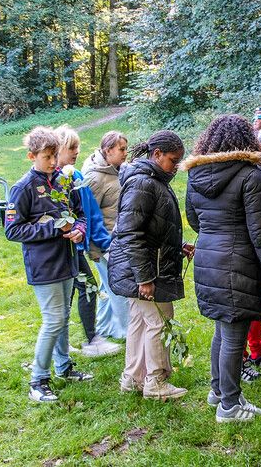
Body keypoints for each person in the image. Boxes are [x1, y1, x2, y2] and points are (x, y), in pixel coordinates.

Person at [182, 114, 261, 422]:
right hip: (239, 259)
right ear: (247, 141)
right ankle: (230, 405)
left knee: (222, 331)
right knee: (234, 336)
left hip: (209, 256)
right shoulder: (251, 175)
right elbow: (260, 231)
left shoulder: (195, 174)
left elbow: (194, 220)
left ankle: (218, 392)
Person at [6, 127, 93, 403]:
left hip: (68, 258)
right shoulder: (23, 189)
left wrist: (78, 229)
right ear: (32, 156)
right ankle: (38, 380)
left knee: (63, 317)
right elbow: (13, 231)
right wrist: (53, 229)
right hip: (43, 265)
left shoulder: (64, 180)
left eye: (56, 155)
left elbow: (80, 213)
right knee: (53, 319)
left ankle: (64, 366)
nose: (54, 162)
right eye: (47, 157)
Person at [107, 130, 192, 400]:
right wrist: (144, 278)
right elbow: (131, 233)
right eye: (172, 160)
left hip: (144, 265)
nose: (176, 166)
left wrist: (178, 247)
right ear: (156, 155)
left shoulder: (154, 180)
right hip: (143, 270)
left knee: (139, 322)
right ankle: (155, 381)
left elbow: (152, 228)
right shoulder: (143, 183)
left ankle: (133, 378)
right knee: (159, 321)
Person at [55, 125, 120, 358]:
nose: (76, 152)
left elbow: (89, 213)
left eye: (77, 147)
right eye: (71, 147)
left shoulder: (76, 176)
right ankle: (91, 340)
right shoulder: (52, 181)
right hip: (56, 250)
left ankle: (63, 343)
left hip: (74, 245)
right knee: (86, 287)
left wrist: (97, 240)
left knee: (76, 290)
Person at [81, 130, 131, 343]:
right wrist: (94, 250)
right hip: (105, 243)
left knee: (106, 285)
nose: (125, 153)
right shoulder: (95, 177)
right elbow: (88, 214)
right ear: (107, 150)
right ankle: (129, 332)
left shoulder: (116, 170)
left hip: (118, 239)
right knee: (117, 288)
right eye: (121, 149)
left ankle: (104, 326)